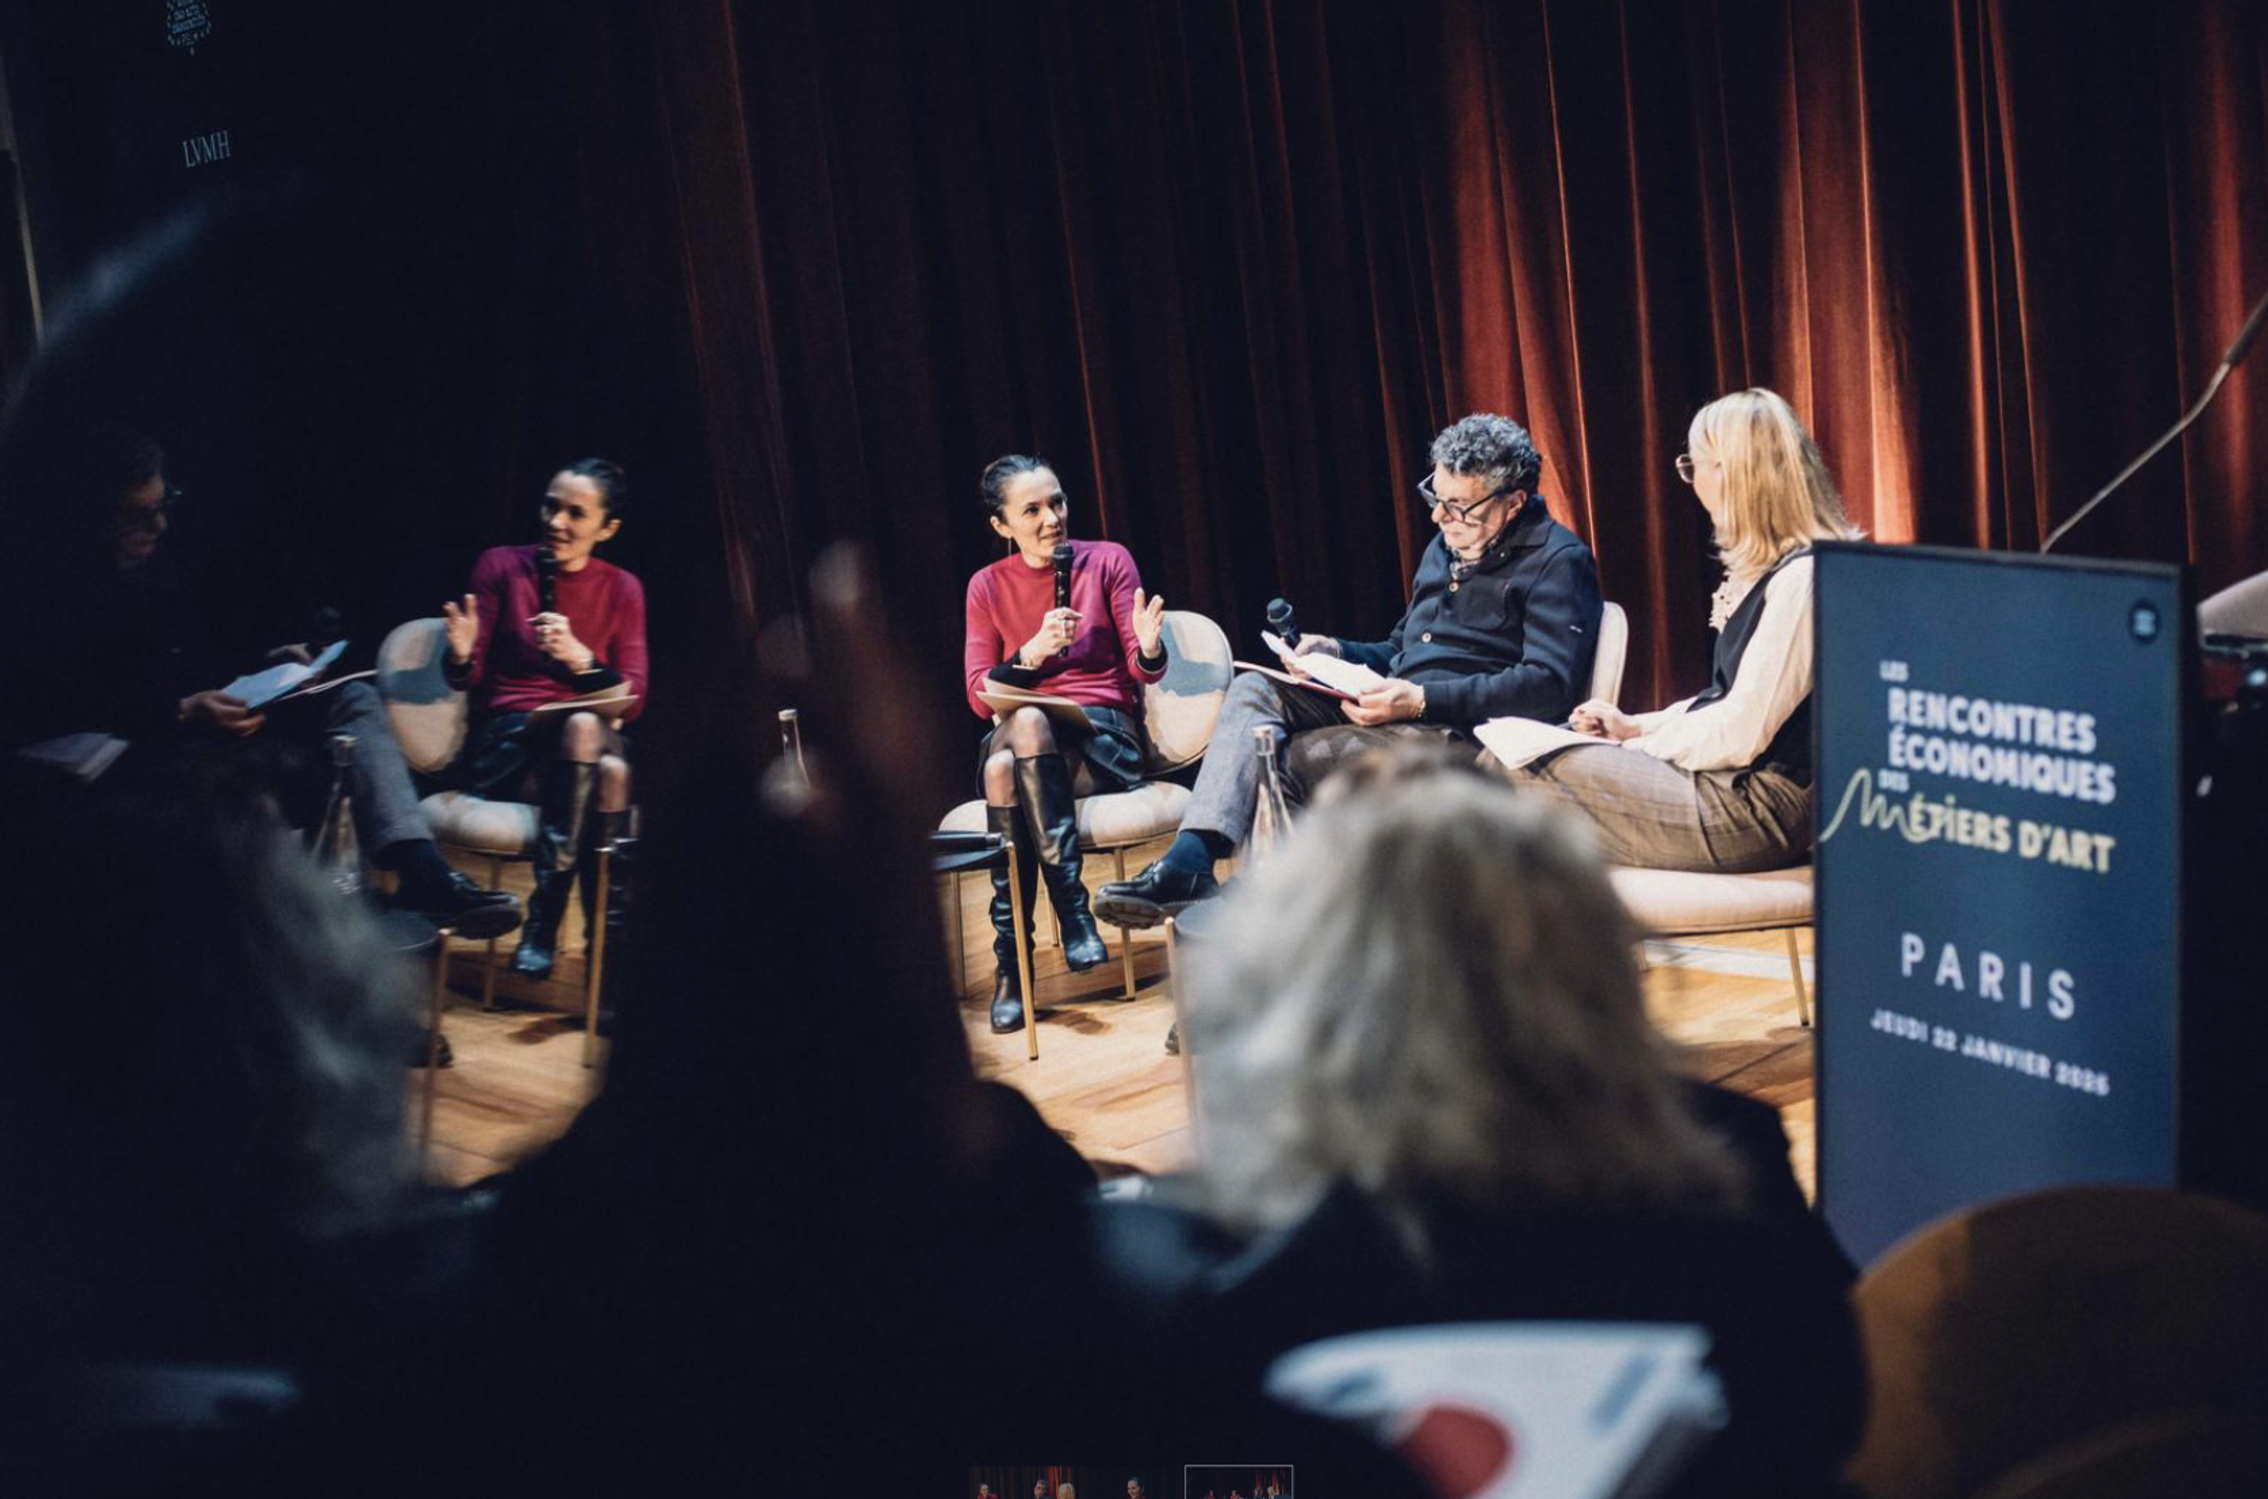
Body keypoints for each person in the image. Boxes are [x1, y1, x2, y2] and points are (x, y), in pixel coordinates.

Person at [1139, 760, 1862, 1494]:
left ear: (1298, 986)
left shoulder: (1235, 1283)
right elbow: (1834, 1407)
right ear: (1590, 961)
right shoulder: (1730, 1158)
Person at [0, 423, 519, 937]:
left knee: (351, 696)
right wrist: (182, 709)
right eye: (139, 516)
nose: (158, 527)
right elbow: (64, 701)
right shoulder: (50, 589)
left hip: (200, 717)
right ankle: (304, 930)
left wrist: (268, 661)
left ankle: (418, 866)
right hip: (129, 744)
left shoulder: (160, 568)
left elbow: (193, 657)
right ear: (95, 515)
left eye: (163, 506)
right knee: (281, 772)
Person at [1095, 412, 1601, 929]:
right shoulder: (1443, 549)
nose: (1439, 518)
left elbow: (1548, 686)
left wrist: (1422, 700)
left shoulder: (1558, 560)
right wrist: (1335, 651)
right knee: (1254, 692)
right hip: (1398, 712)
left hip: (1460, 737)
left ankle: (1278, 929)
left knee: (1282, 760)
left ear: (1514, 503)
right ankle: (1192, 861)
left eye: (1458, 507)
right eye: (1436, 498)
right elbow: (1401, 651)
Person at [1492, 388, 1862, 871]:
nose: (1690, 481)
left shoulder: (1805, 579)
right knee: (1516, 763)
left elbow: (1741, 732)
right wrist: (1637, 725)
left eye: (1694, 465)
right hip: (1733, 784)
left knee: (1511, 771)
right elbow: (1723, 697)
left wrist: (1634, 746)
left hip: (1759, 808)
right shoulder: (1776, 571)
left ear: (1732, 473)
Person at [963, 454, 1167, 1032]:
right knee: (1022, 731)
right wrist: (1031, 654)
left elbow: (1140, 668)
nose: (1052, 518)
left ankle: (1014, 964)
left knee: (1008, 769)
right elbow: (980, 699)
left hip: (1100, 735)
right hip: (1025, 733)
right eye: (1032, 510)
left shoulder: (1108, 560)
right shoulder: (987, 586)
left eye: (1057, 502)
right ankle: (1073, 917)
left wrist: (1151, 648)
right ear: (1002, 526)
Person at [443, 458, 649, 980]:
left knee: (605, 759)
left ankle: (570, 937)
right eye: (551, 506)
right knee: (607, 762)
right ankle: (599, 952)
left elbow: (635, 699)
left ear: (608, 528)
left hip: (580, 752)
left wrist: (580, 658)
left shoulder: (623, 588)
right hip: (510, 744)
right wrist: (462, 657)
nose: (556, 522)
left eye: (576, 513)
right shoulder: (501, 566)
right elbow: (468, 677)